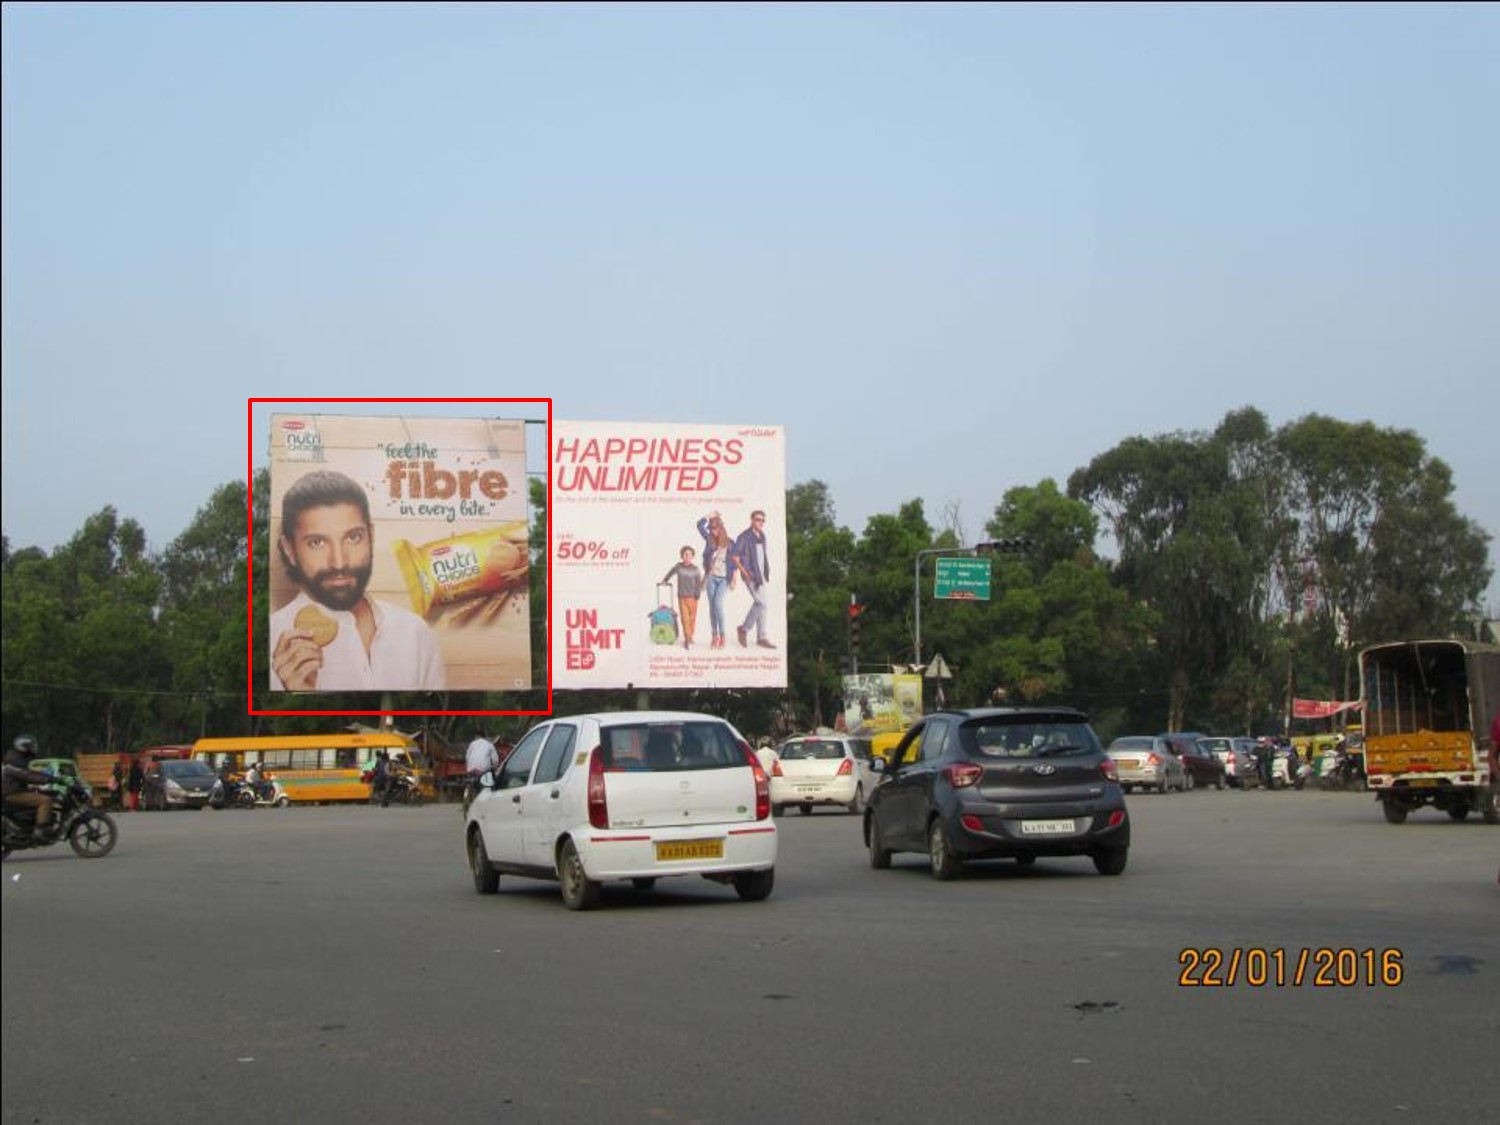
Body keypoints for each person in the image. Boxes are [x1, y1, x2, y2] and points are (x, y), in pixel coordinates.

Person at [269, 470, 446, 692]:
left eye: (353, 537)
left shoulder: (415, 633)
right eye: (316, 542)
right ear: (289, 549)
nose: (339, 562)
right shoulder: (271, 641)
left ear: (371, 537)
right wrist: (295, 696)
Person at [728, 509, 775, 649]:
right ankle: (743, 629)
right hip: (751, 575)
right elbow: (735, 557)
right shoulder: (744, 537)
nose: (760, 522)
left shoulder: (762, 536)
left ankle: (761, 637)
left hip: (761, 576)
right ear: (752, 520)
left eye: (762, 520)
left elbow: (762, 556)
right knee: (760, 604)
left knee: (764, 607)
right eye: (758, 519)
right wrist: (744, 572)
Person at [3, 734, 57, 840]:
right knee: (46, 800)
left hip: (15, 790)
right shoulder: (14, 760)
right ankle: (40, 831)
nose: (33, 748)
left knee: (45, 794)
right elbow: (27, 776)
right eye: (31, 746)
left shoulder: (17, 758)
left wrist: (49, 777)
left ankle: (31, 824)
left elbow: (30, 773)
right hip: (12, 793)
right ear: (23, 747)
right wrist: (47, 780)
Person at [697, 511, 734, 648]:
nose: (713, 531)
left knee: (718, 604)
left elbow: (734, 561)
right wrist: (709, 515)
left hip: (724, 579)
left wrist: (734, 578)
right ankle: (714, 636)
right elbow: (699, 525)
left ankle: (723, 635)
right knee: (712, 608)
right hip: (711, 577)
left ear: (721, 528)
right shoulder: (709, 540)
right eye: (711, 529)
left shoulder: (730, 543)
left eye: (716, 528)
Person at [661, 546, 704, 650]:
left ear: (692, 556)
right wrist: (665, 580)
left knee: (692, 619)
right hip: (682, 597)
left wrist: (697, 595)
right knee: (685, 619)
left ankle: (690, 636)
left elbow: (699, 583)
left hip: (693, 598)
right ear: (682, 556)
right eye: (685, 554)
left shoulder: (696, 570)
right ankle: (687, 639)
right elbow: (671, 572)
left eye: (689, 554)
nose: (687, 556)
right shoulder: (679, 567)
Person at [463, 736, 500, 813]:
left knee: (475, 785)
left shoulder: (472, 744)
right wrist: (494, 767)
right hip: (484, 771)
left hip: (471, 771)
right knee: (488, 788)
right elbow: (495, 760)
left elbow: (466, 757)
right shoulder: (489, 744)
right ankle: (489, 806)